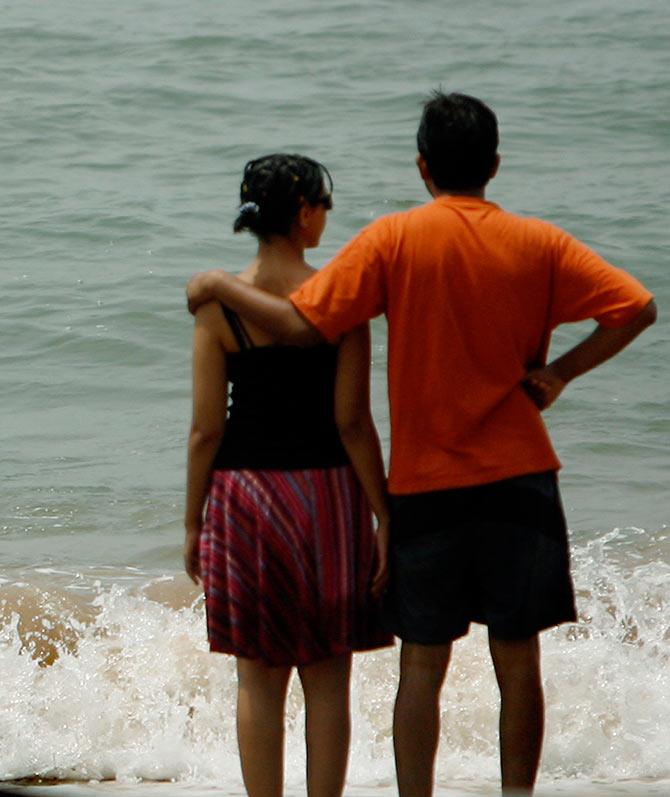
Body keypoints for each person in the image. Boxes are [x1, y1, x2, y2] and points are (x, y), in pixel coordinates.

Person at [185, 94, 657, 796]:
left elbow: (293, 331)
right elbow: (637, 307)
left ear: (422, 166)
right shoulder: (542, 244)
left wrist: (219, 283)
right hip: (520, 475)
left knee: (420, 665)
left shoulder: (392, 241)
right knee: (518, 658)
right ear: (494, 165)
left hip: (423, 483)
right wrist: (558, 373)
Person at [183, 153, 393, 797]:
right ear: (304, 214)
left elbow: (206, 430)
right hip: (328, 493)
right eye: (324, 204)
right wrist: (386, 514)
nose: (328, 216)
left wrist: (192, 522)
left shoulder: (218, 311)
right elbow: (354, 422)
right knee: (329, 677)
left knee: (258, 679)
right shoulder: (342, 301)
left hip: (244, 497)